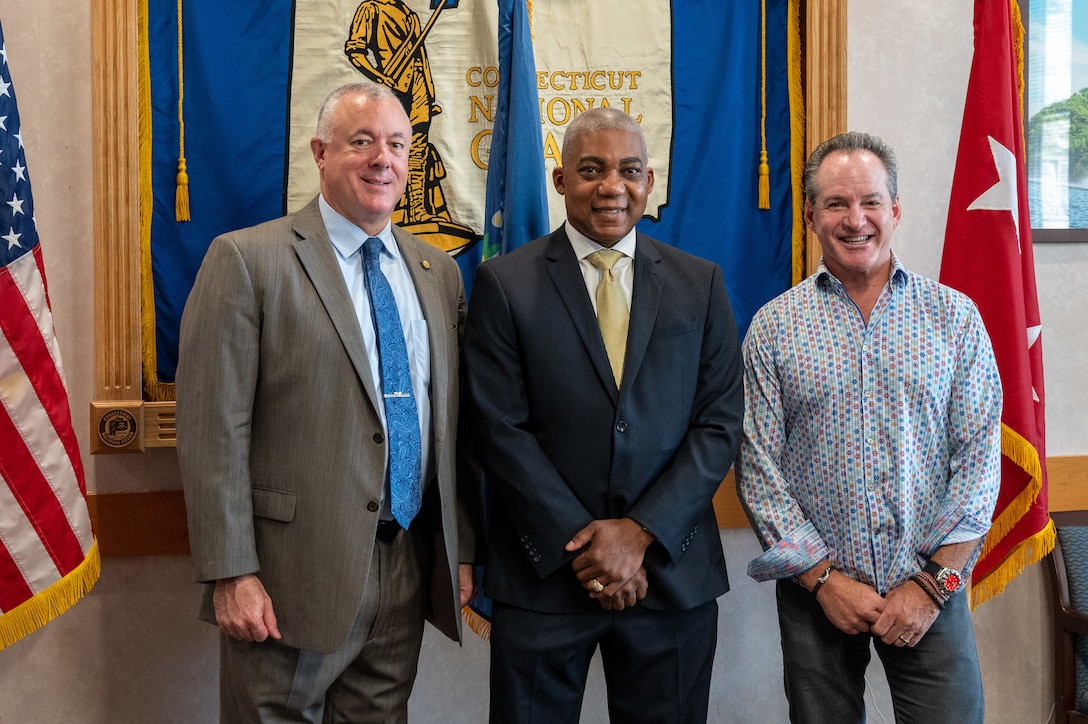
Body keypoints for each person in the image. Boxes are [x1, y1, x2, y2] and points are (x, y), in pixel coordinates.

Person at [176, 80, 478, 724]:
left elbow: (455, 429)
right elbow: (212, 432)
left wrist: (462, 548)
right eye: (361, 141)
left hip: (407, 562)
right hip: (286, 578)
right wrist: (230, 571)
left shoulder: (438, 273)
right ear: (319, 151)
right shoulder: (248, 260)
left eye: (397, 143)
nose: (383, 159)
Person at [463, 107, 744, 723]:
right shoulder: (504, 284)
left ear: (650, 182)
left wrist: (639, 534)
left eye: (629, 170)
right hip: (545, 576)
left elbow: (719, 423)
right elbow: (497, 429)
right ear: (561, 181)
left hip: (671, 573)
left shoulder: (701, 284)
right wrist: (591, 548)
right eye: (591, 170)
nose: (612, 186)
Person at [736, 131, 1002, 724]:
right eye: (835, 204)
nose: (855, 219)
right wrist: (824, 579)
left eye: (871, 202)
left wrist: (933, 585)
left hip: (930, 589)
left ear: (896, 210)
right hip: (817, 598)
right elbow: (757, 468)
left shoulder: (954, 319)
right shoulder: (774, 329)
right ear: (810, 216)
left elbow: (981, 459)